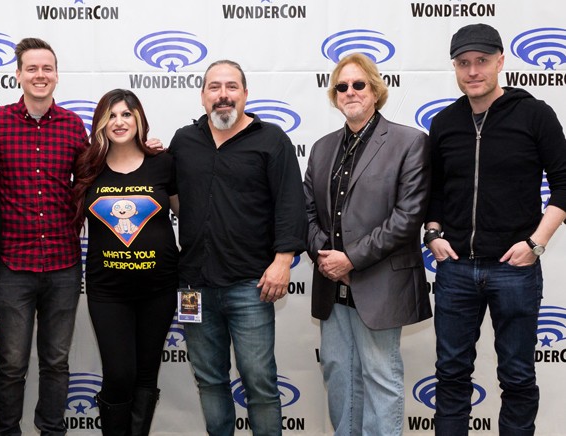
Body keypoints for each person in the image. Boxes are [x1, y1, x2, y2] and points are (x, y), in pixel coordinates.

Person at [426, 23, 566, 436]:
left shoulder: (534, 114)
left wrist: (536, 245)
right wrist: (432, 233)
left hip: (515, 269)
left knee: (518, 378)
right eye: (464, 63)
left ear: (500, 62)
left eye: (482, 61)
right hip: (455, 271)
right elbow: (433, 191)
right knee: (451, 376)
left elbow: (563, 184)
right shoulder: (444, 122)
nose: (473, 71)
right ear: (455, 68)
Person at [168, 60, 307, 436]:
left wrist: (283, 261)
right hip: (194, 286)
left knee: (259, 385)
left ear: (245, 94)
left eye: (231, 87)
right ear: (202, 96)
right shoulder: (184, 141)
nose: (223, 95)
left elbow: (290, 205)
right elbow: (171, 193)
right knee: (210, 381)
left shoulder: (271, 139)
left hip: (251, 285)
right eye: (214, 87)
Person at [303, 53, 432, 435]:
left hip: (380, 284)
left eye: (359, 85)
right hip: (331, 284)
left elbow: (407, 217)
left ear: (375, 90)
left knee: (380, 377)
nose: (350, 92)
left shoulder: (409, 142)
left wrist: (351, 260)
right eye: (342, 87)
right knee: (339, 375)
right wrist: (326, 257)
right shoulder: (322, 148)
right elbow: (306, 211)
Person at [0, 37, 88, 436]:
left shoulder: (74, 126)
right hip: (13, 265)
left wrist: (147, 149)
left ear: (56, 75)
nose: (40, 75)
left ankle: (51, 431)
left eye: (47, 68)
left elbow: (101, 174)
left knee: (57, 362)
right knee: (11, 363)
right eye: (32, 69)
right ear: (19, 75)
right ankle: (6, 431)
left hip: (63, 262)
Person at [72, 89, 178, 435]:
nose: (119, 122)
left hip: (158, 289)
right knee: (119, 374)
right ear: (101, 123)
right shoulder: (88, 166)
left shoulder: (163, 162)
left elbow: (188, 214)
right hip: (109, 292)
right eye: (112, 115)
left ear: (139, 120)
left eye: (126, 114)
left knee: (146, 373)